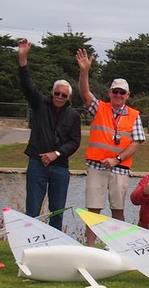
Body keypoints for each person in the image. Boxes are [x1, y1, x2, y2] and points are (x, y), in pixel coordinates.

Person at [76, 48, 145, 246]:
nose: (118, 95)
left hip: (120, 168)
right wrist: (84, 72)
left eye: (122, 92)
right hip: (96, 166)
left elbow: (136, 142)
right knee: (93, 209)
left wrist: (117, 159)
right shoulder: (100, 107)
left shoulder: (134, 115)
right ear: (109, 93)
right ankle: (90, 247)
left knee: (118, 209)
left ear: (127, 95)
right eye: (115, 91)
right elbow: (84, 93)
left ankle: (118, 246)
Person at [17, 39, 80, 231]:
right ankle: (29, 246)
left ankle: (53, 248)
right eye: (57, 93)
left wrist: (56, 154)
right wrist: (23, 58)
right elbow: (27, 85)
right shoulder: (39, 105)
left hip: (60, 167)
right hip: (37, 163)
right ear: (52, 93)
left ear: (69, 97)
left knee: (57, 211)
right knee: (33, 210)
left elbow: (74, 141)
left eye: (63, 95)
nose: (59, 97)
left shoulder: (73, 115)